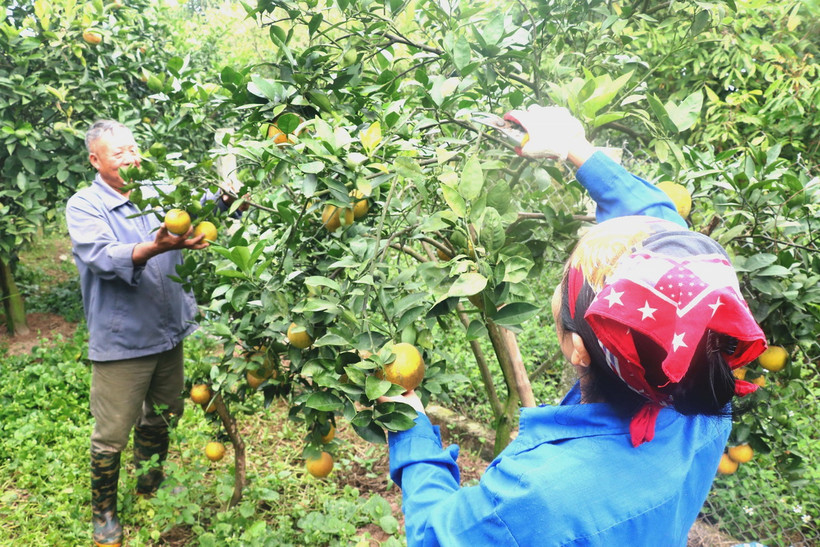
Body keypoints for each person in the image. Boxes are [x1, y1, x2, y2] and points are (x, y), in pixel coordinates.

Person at [381, 107, 767, 546]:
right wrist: (577, 150)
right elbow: (665, 231)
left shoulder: (537, 497)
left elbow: (436, 532)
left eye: (563, 286)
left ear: (579, 350)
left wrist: (410, 428)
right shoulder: (703, 387)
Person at [66, 120, 211, 547]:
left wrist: (225, 196)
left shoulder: (157, 190)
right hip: (124, 339)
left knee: (164, 412)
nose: (131, 158)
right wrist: (154, 247)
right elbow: (104, 257)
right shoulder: (85, 205)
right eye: (118, 153)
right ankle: (104, 513)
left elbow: (197, 208)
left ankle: (150, 479)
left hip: (168, 330)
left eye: (133, 149)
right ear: (95, 160)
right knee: (112, 431)